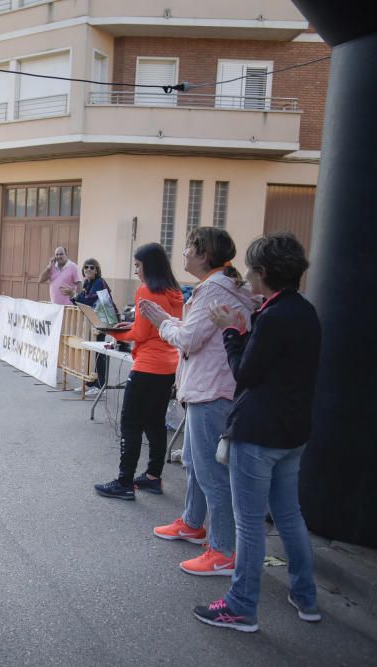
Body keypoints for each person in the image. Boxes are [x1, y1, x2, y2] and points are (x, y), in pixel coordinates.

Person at [194, 233, 322, 633]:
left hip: (259, 433)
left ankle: (241, 605)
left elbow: (246, 374)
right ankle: (306, 597)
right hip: (293, 431)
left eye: (250, 269)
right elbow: (274, 364)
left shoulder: (272, 316)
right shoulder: (304, 311)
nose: (246, 276)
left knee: (249, 523)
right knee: (289, 515)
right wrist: (244, 334)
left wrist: (231, 332)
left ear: (264, 273)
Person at [138, 228, 258, 576]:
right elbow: (196, 334)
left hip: (212, 390)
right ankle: (193, 523)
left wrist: (163, 323)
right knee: (194, 461)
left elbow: (189, 340)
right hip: (207, 387)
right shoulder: (219, 288)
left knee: (210, 472)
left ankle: (222, 550)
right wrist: (171, 323)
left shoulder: (214, 290)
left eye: (190, 247)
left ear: (205, 255)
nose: (185, 253)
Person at [94, 242, 183, 500]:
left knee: (131, 423)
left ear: (148, 266)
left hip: (147, 365)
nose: (135, 271)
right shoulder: (174, 292)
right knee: (155, 422)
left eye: (137, 265)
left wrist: (112, 330)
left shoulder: (146, 291)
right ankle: (153, 476)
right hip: (168, 365)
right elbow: (156, 326)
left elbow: (141, 334)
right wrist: (129, 325)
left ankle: (124, 482)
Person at [66, 258, 110, 395]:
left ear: (97, 270)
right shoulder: (87, 282)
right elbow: (80, 302)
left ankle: (101, 385)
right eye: (86, 267)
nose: (88, 270)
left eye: (92, 267)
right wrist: (73, 296)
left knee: (98, 353)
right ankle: (90, 382)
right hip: (91, 321)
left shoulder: (99, 282)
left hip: (102, 321)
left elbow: (89, 301)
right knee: (89, 351)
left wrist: (73, 295)